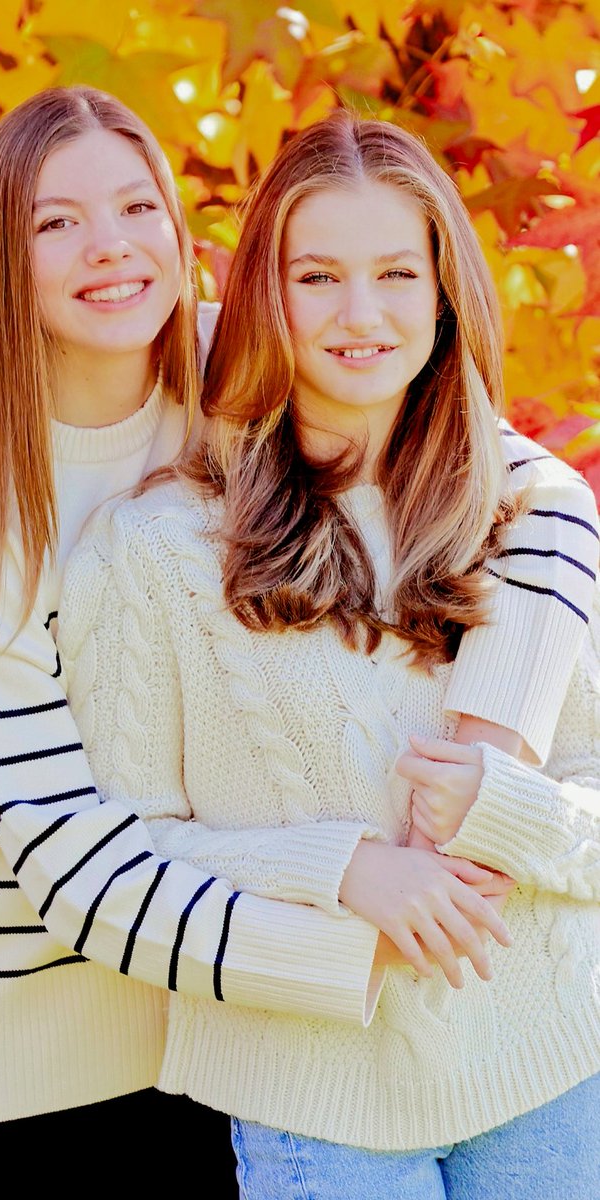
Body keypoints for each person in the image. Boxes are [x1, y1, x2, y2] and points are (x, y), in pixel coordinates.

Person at [0, 87, 426, 1199]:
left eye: (135, 206)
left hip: (195, 1036)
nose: (108, 247)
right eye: (54, 222)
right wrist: (359, 936)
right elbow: (75, 865)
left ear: (178, 226)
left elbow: (493, 463)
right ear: (1, 263)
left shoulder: (242, 375)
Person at [57, 110, 600, 1199]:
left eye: (399, 272)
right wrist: (345, 869)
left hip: (549, 1068)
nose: (362, 315)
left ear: (446, 291)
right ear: (264, 293)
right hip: (314, 1104)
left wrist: (517, 811)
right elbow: (126, 855)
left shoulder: (531, 518)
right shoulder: (155, 550)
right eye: (317, 277)